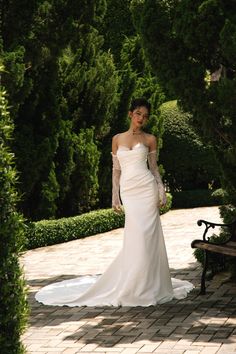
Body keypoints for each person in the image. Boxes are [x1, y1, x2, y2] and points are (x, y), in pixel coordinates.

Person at [35, 98, 193, 307]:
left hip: (147, 189)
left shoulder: (150, 139)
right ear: (130, 114)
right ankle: (133, 283)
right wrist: (114, 196)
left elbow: (154, 168)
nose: (141, 119)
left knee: (148, 236)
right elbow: (116, 170)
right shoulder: (117, 139)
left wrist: (161, 191)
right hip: (129, 191)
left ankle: (150, 285)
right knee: (135, 236)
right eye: (138, 114)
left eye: (145, 116)